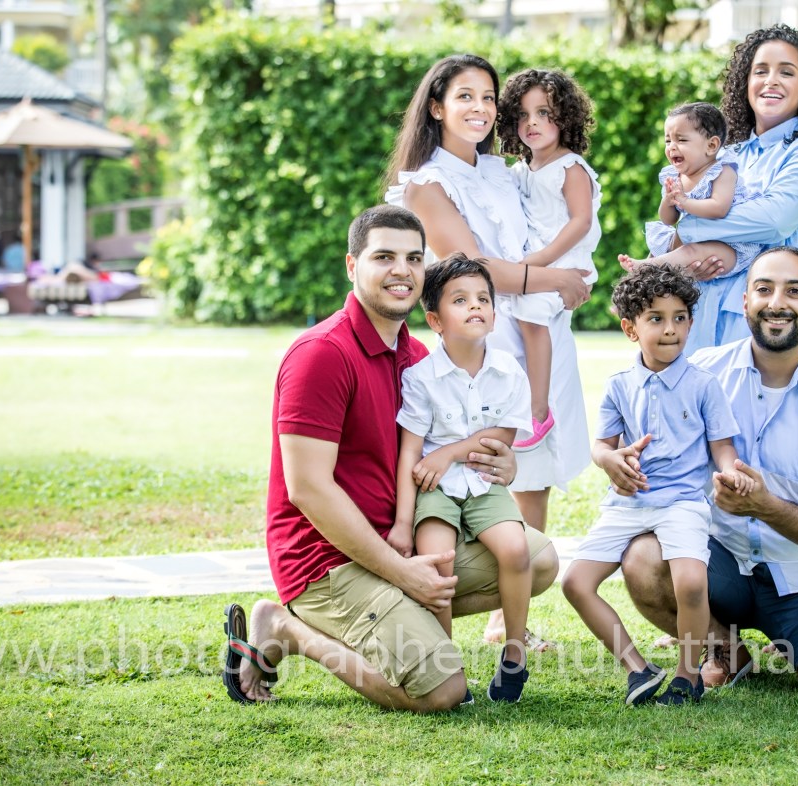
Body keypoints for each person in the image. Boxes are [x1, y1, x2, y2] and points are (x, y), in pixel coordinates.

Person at [221, 205, 559, 712]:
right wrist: (404, 575)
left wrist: (501, 464)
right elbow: (307, 489)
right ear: (353, 265)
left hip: (399, 538)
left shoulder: (420, 359)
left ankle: (407, 622)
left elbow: (448, 451)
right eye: (384, 256)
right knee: (442, 692)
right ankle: (287, 628)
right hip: (327, 561)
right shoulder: (321, 355)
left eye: (413, 258)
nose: (402, 270)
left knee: (536, 560)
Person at [385, 53, 591, 650]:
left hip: (537, 328)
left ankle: (510, 617)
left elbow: (553, 222)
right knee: (483, 461)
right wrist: (559, 280)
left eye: (486, 98)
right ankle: (465, 598)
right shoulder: (426, 184)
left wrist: (563, 279)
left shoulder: (504, 170)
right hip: (481, 335)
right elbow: (472, 266)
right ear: (436, 107)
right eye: (464, 97)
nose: (479, 109)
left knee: (537, 462)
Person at [619, 247, 798, 704]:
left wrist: (767, 507)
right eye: (764, 289)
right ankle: (725, 649)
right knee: (643, 558)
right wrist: (625, 466)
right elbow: (653, 456)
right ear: (744, 302)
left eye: (794, 291)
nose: (776, 302)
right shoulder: (700, 376)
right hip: (719, 560)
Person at [562, 263, 754, 707]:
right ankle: (638, 669)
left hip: (683, 503)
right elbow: (600, 447)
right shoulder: (618, 386)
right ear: (630, 329)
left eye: (680, 317)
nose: (671, 330)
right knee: (575, 583)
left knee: (690, 582)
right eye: (657, 319)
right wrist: (611, 459)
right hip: (628, 502)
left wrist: (730, 471)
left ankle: (689, 676)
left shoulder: (704, 385)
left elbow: (722, 446)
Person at [620, 24, 798, 363]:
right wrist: (692, 259)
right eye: (760, 71)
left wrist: (686, 233)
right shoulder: (727, 155)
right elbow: (685, 210)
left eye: (786, 72)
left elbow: (771, 220)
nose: (771, 80)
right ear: (746, 84)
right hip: (711, 316)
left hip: (776, 327)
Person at [391, 254, 534, 702]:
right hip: (435, 489)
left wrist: (451, 451)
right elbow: (411, 452)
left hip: (481, 480)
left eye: (483, 299)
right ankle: (446, 664)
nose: (476, 306)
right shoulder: (420, 378)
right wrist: (401, 522)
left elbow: (504, 434)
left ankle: (515, 654)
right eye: (460, 300)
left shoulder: (510, 371)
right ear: (435, 319)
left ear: (493, 314)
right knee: (439, 565)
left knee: (516, 549)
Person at [495, 68, 601, 448]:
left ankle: (539, 410)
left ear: (565, 117)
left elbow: (580, 222)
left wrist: (537, 261)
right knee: (521, 311)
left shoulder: (570, 167)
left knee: (530, 312)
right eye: (522, 115)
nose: (532, 123)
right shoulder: (523, 169)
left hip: (567, 261)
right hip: (539, 261)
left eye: (543, 113)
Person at [616, 102, 762, 354]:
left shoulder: (722, 171)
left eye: (681, 139)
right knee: (664, 249)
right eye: (667, 141)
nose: (672, 147)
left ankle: (644, 269)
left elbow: (719, 207)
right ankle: (636, 292)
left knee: (688, 251)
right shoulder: (674, 176)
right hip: (698, 241)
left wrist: (685, 201)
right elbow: (668, 219)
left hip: (733, 245)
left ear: (711, 146)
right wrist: (670, 199)